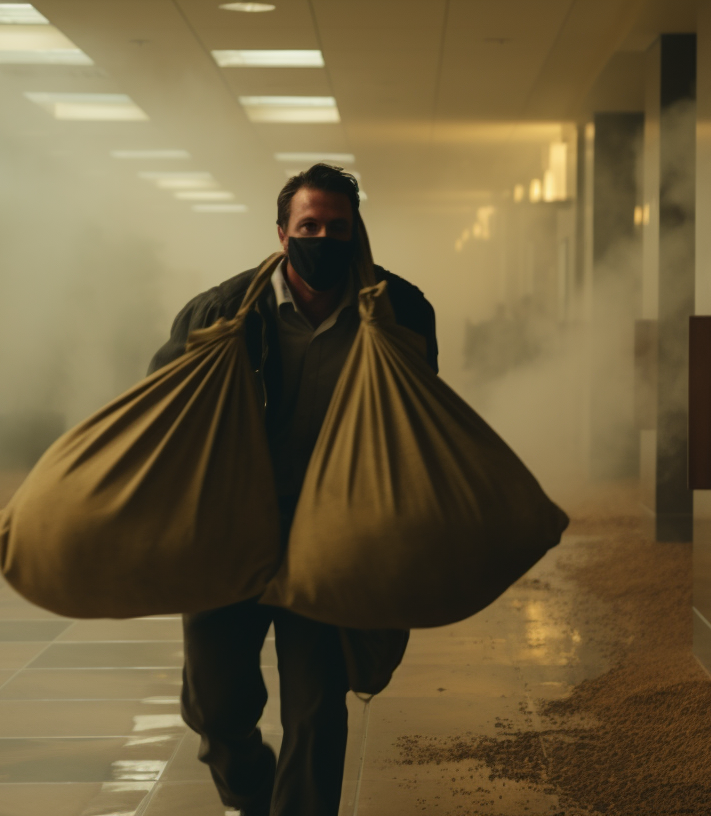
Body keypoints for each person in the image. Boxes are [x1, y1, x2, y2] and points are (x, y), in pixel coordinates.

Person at [147, 164, 438, 816]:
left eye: (338, 227)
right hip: (234, 533)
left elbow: (419, 422)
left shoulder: (399, 312)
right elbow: (164, 410)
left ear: (356, 230)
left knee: (315, 711)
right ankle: (254, 797)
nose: (323, 238)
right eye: (310, 226)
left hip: (330, 536)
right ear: (283, 233)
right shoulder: (222, 313)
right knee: (215, 709)